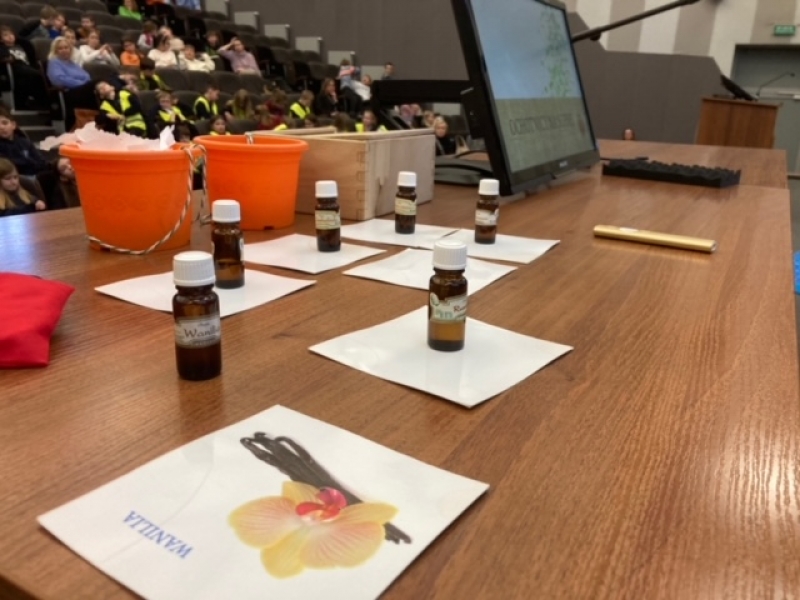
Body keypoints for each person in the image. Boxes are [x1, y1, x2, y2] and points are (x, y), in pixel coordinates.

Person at [46, 37, 96, 131]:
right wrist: (82, 84)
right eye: (60, 48)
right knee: (97, 83)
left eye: (66, 47)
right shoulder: (54, 63)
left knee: (101, 85)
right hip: (68, 93)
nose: (64, 50)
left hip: (82, 91)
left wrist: (84, 84)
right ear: (55, 51)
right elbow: (59, 80)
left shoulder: (72, 63)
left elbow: (87, 76)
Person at [0, 27, 49, 111]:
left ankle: (44, 103)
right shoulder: (2, 49)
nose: (10, 36)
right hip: (14, 70)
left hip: (28, 69)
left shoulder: (22, 46)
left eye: (11, 34)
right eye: (5, 35)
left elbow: (31, 58)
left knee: (38, 76)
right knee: (34, 76)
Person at [0, 109, 49, 177]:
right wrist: (28, 162)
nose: (1, 127)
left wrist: (28, 163)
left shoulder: (25, 142)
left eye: (5, 123)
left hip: (35, 174)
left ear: (13, 125)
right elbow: (9, 166)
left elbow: (41, 162)